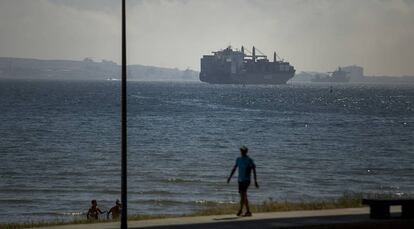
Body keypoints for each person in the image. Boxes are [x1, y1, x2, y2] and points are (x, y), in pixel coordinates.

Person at [227, 146, 259, 217]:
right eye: (241, 151)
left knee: (243, 195)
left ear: (246, 151)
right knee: (243, 196)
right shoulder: (238, 159)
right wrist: (230, 177)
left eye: (243, 151)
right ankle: (247, 211)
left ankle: (242, 210)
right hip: (240, 180)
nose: (242, 152)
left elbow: (254, 169)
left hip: (246, 180)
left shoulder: (249, 160)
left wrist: (255, 181)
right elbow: (234, 168)